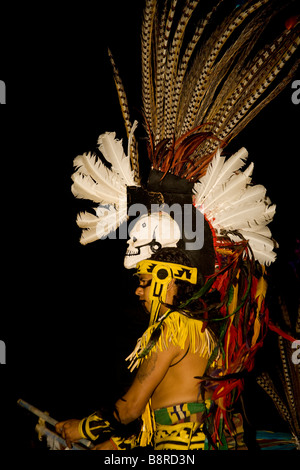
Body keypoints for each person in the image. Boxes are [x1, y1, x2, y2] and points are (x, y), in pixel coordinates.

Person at [56, 248, 247, 450]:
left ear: (169, 282)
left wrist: (84, 428)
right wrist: (117, 444)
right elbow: (185, 413)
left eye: (144, 283)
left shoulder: (171, 329)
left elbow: (131, 407)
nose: (138, 290)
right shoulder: (203, 330)